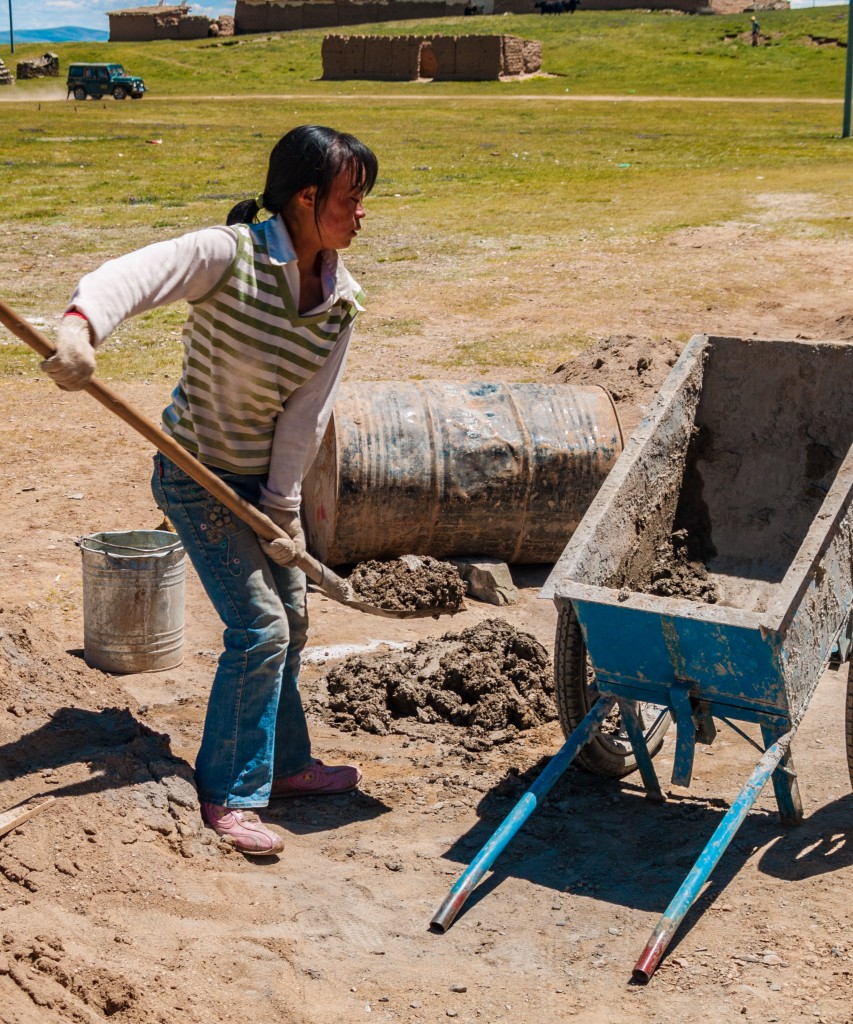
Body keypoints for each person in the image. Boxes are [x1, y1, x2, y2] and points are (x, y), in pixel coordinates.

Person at [41, 125, 379, 856]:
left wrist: (281, 510)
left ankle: (284, 766)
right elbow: (130, 276)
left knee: (291, 614)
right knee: (258, 627)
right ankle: (227, 791)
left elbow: (305, 415)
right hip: (194, 473)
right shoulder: (231, 255)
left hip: (259, 484)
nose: (361, 214)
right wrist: (79, 327)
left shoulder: (340, 302)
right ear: (304, 197)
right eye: (350, 199)